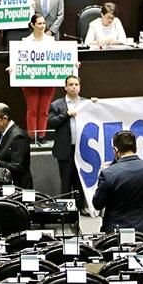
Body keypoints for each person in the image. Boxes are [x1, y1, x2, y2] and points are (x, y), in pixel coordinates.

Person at [92, 130, 143, 235]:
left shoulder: (108, 173)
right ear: (135, 147)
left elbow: (97, 204)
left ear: (115, 150)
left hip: (116, 235)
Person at [47, 76, 96, 214]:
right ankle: (66, 209)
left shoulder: (86, 103)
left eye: (76, 84)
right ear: (65, 87)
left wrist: (96, 105)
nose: (74, 87)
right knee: (66, 180)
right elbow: (51, 122)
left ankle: (81, 207)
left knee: (80, 180)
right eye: (71, 84)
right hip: (65, 149)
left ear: (80, 86)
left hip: (83, 149)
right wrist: (66, 115)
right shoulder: (57, 105)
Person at [18, 15, 55, 141]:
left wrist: (73, 64)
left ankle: (41, 135)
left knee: (44, 109)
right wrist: (13, 67)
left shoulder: (51, 41)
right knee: (32, 109)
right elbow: (18, 59)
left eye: (44, 23)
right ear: (33, 25)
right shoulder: (25, 41)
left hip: (47, 79)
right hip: (30, 79)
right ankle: (32, 135)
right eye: (39, 23)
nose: (42, 26)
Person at [0, 103, 33, 189]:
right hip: (5, 185)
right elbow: (7, 156)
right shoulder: (1, 132)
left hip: (18, 188)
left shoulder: (19, 136)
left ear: (4, 119)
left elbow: (18, 167)